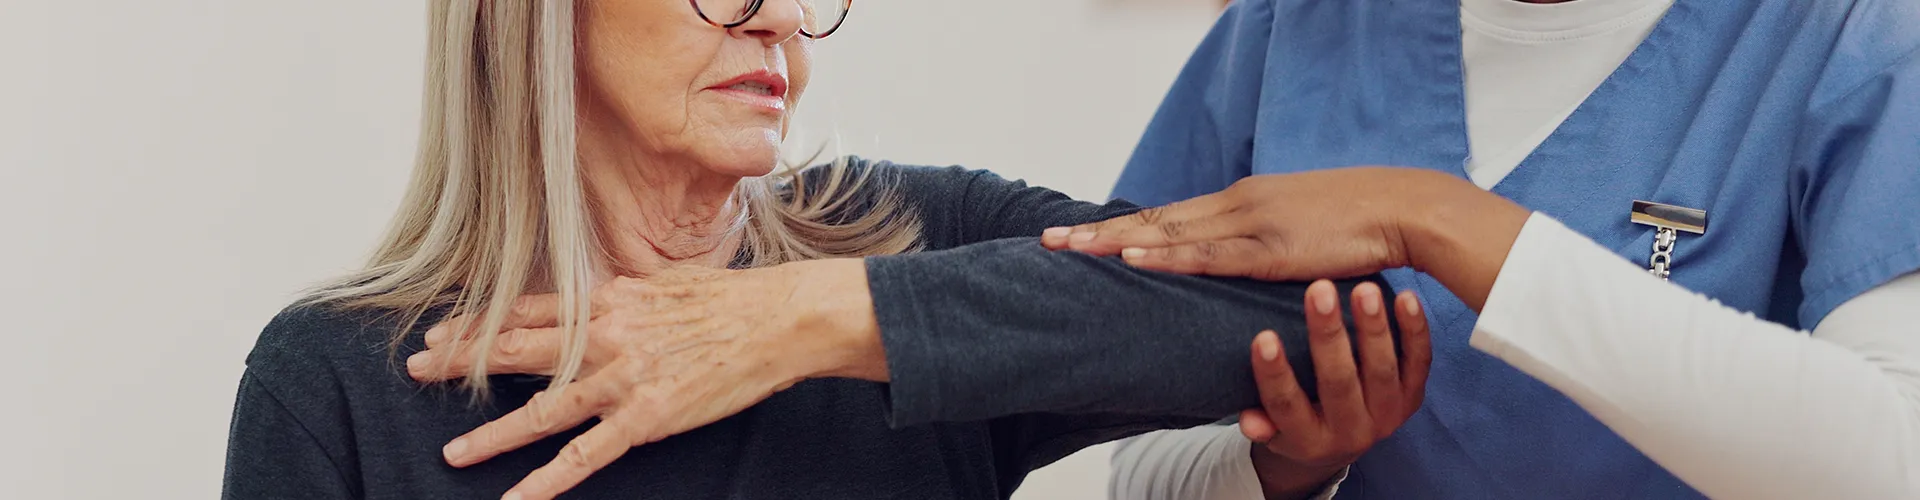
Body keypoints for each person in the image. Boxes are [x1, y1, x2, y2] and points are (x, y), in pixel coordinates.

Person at [221, 1, 1429, 499]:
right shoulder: (337, 379)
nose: (780, 18)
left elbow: (1293, 311)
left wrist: (813, 320)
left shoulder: (909, 237)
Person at [1085, 0, 1920, 498]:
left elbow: (1893, 462)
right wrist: (1282, 466)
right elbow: (1132, 467)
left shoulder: (1853, 35)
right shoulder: (1289, 32)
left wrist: (1431, 217)